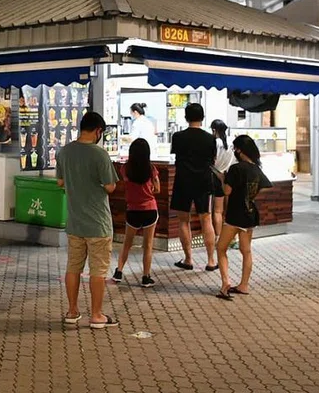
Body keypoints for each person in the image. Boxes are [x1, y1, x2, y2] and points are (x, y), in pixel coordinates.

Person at [56, 111, 120, 329]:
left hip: (75, 222)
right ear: (98, 131)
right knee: (98, 271)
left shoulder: (65, 152)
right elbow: (110, 186)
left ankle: (72, 311)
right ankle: (96, 315)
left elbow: (60, 182)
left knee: (73, 267)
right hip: (98, 223)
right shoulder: (100, 154)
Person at [215, 135, 273, 300]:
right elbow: (266, 186)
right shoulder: (256, 169)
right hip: (250, 214)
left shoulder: (236, 169)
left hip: (235, 215)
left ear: (240, 150)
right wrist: (251, 196)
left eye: (235, 149)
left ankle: (225, 282)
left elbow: (227, 191)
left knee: (221, 248)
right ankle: (244, 285)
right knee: (246, 251)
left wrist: (222, 179)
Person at [170, 103, 218, 272]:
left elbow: (176, 156)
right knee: (206, 219)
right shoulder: (210, 138)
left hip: (183, 181)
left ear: (186, 117)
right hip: (204, 181)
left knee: (184, 220)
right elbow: (212, 160)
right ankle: (211, 260)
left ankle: (188, 259)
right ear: (202, 118)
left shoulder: (178, 136)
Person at [113, 138, 160, 288]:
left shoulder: (125, 169)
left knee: (127, 243)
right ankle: (146, 277)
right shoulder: (151, 169)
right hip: (149, 209)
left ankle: (119, 272)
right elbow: (158, 189)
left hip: (133, 210)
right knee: (148, 245)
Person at [210, 119, 235, 238]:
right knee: (228, 209)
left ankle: (218, 236)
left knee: (217, 211)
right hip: (228, 176)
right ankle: (230, 237)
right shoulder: (231, 142)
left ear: (214, 130)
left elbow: (211, 161)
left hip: (216, 177)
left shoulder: (215, 142)